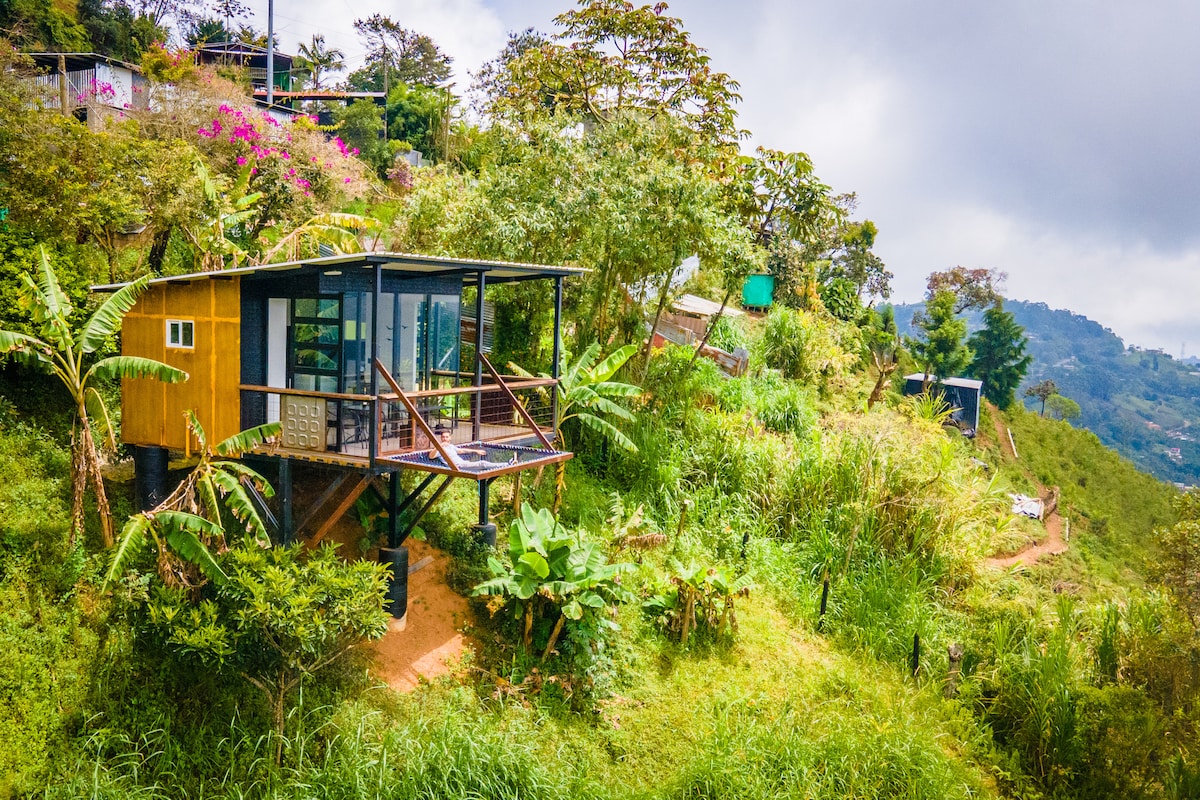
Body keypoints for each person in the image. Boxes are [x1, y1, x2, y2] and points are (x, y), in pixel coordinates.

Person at [428, 429, 516, 470]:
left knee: (482, 463)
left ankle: (508, 464)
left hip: (463, 463)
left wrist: (476, 451)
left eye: (446, 437)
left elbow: (461, 451)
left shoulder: (451, 446)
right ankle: (508, 464)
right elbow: (431, 456)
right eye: (443, 437)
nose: (445, 439)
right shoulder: (440, 449)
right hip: (457, 467)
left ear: (450, 438)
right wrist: (439, 446)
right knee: (483, 463)